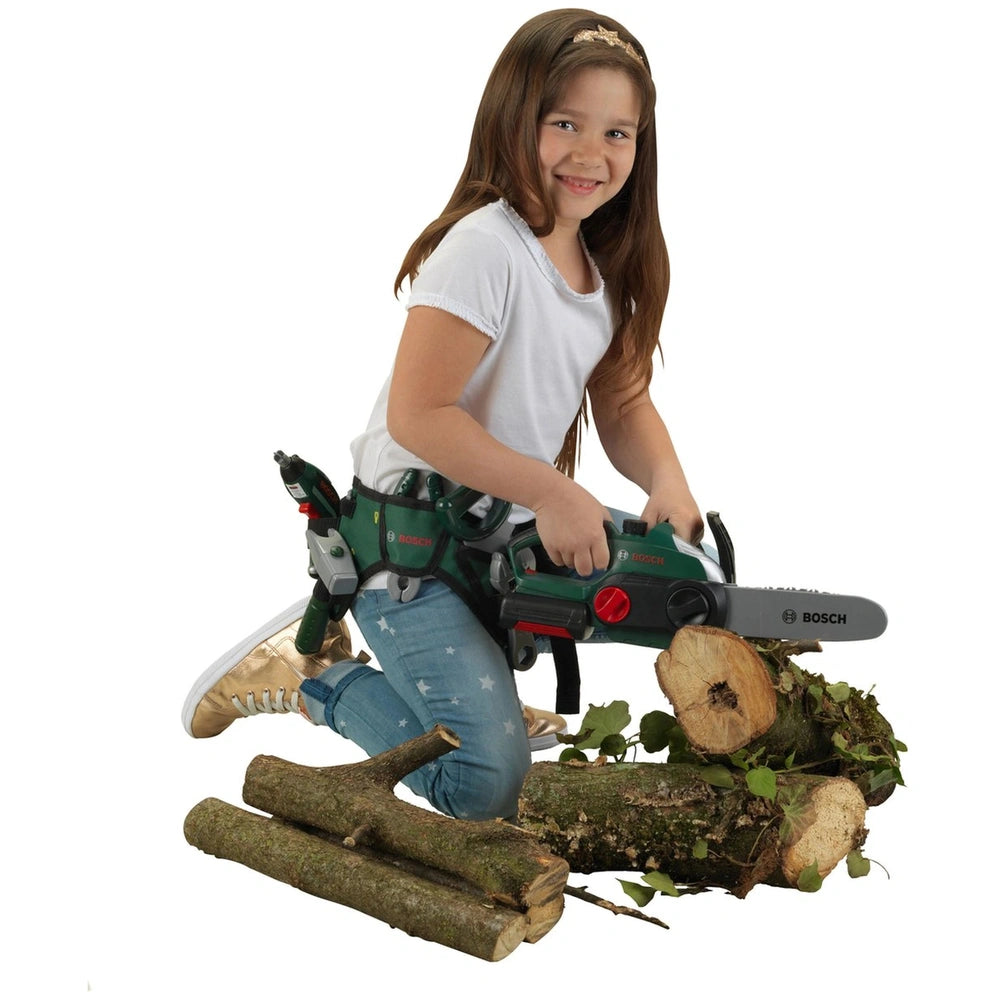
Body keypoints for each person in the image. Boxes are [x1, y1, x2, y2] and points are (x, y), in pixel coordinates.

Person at [182, 9, 702, 822]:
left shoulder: (604, 264)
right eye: (565, 123)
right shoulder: (486, 247)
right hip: (414, 553)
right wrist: (555, 492)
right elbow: (420, 415)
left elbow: (624, 400)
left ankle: (477, 693)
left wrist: (667, 481)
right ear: (513, 117)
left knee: (681, 577)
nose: (590, 153)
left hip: (496, 531)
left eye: (617, 133)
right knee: (484, 785)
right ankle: (314, 678)